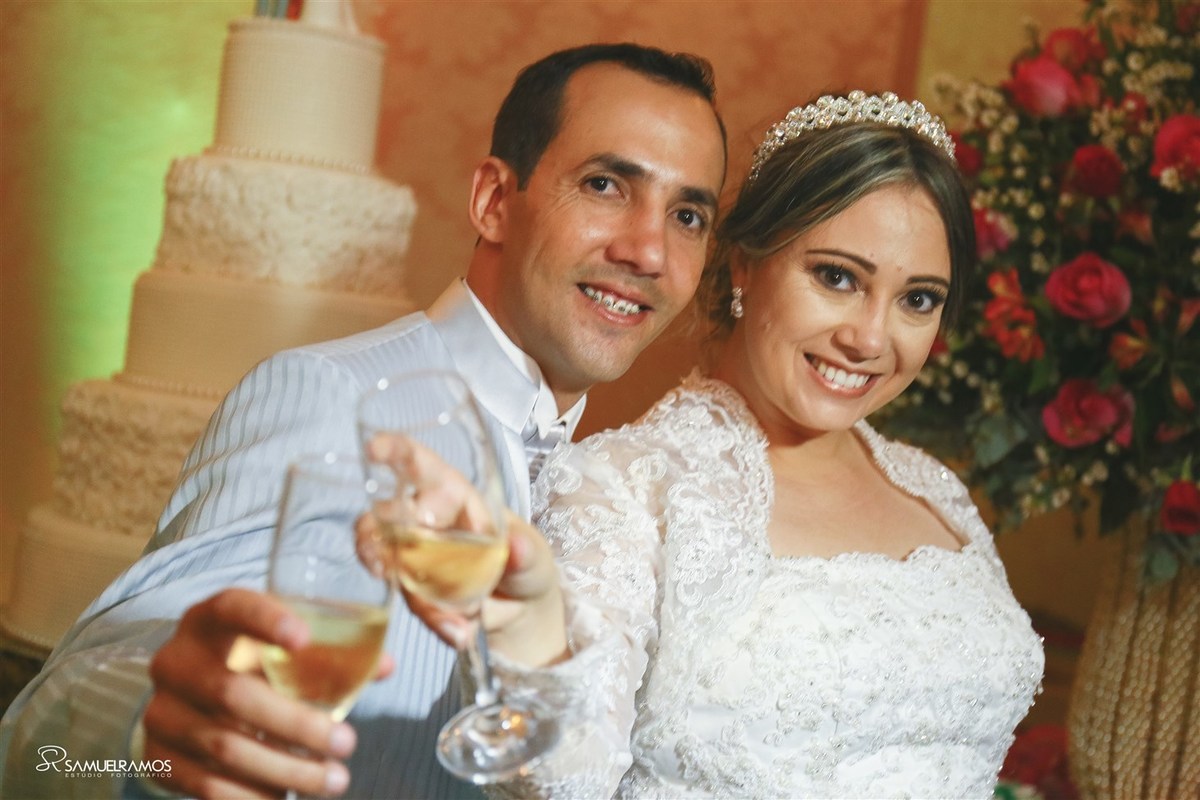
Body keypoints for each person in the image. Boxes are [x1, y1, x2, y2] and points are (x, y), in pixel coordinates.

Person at [0, 43, 727, 800]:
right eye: (605, 185)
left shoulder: (621, 484)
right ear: (492, 201)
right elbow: (53, 723)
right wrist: (146, 730)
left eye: (687, 215)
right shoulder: (332, 399)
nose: (649, 250)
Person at [385, 91, 1046, 798]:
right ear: (743, 266)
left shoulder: (936, 491)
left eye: (918, 299)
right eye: (837, 278)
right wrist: (529, 634)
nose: (870, 338)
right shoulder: (626, 489)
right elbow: (562, 776)